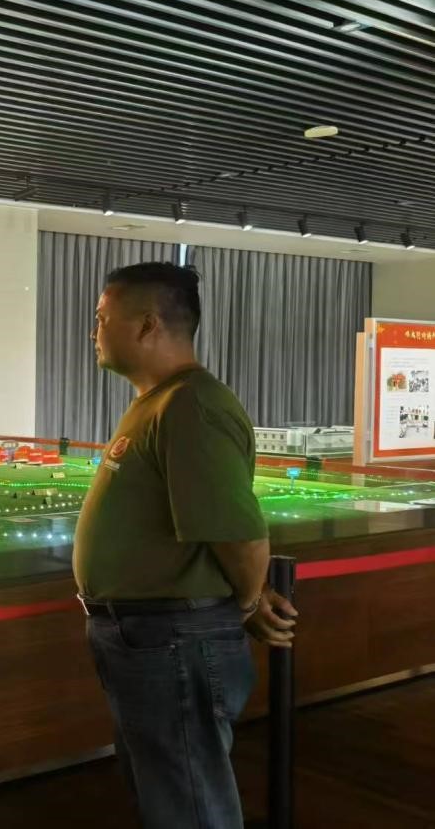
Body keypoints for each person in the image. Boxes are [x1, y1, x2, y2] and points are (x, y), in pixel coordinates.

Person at [73, 262, 298, 829]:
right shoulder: (158, 401)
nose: (94, 331)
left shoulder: (190, 405)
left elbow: (241, 535)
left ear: (148, 324)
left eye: (101, 319)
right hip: (148, 635)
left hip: (173, 637)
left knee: (189, 801)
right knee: (168, 792)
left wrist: (246, 601)